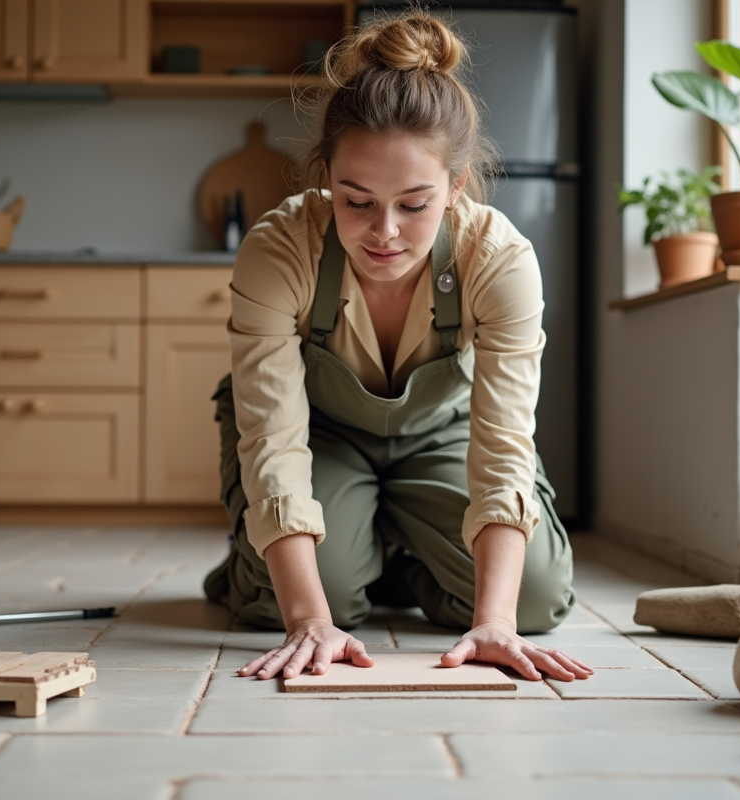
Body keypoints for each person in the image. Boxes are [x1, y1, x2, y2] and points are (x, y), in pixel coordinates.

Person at [203, 10, 592, 685]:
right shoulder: (278, 250)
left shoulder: (498, 259)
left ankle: (388, 546)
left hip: (441, 437)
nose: (384, 232)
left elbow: (503, 446)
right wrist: (309, 621)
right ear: (326, 177)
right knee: (288, 601)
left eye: (414, 205)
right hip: (320, 437)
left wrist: (495, 622)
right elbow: (272, 440)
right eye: (356, 201)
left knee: (531, 599)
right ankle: (312, 558)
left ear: (455, 187)